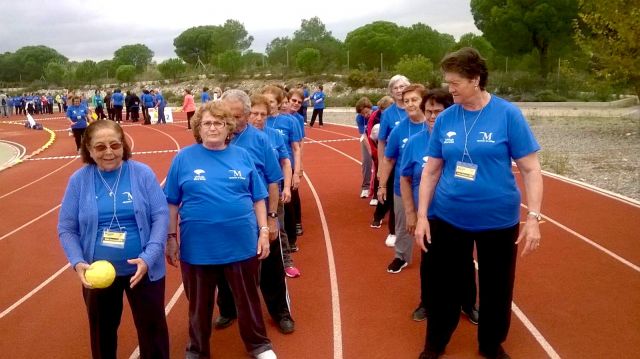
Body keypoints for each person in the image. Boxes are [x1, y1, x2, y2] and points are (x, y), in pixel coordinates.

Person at [414, 48, 543, 359]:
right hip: (449, 218)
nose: (449, 88)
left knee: (497, 288)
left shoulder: (508, 115)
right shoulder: (445, 118)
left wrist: (534, 218)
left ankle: (490, 344)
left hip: (498, 220)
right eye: (447, 82)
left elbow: (531, 168)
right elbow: (431, 170)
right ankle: (435, 344)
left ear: (476, 79)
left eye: (455, 82)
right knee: (445, 287)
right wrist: (421, 216)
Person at [164, 101, 277, 359]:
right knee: (199, 306)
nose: (213, 127)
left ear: (228, 128)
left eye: (218, 123)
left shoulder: (243, 156)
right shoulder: (183, 158)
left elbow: (258, 197)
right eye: (207, 123)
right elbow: (171, 202)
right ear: (198, 128)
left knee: (248, 299)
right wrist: (171, 238)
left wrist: (263, 231)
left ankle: (259, 345)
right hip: (198, 247)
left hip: (241, 243)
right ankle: (197, 349)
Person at [57, 120, 170, 359]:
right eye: (100, 147)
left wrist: (149, 257)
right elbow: (66, 227)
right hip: (97, 273)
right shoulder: (79, 180)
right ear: (88, 148)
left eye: (115, 145)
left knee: (153, 332)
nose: (109, 152)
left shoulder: (142, 173)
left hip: (144, 270)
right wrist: (78, 262)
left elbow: (161, 216)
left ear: (124, 145)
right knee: (102, 334)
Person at [214, 89, 296, 335]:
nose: (231, 120)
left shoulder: (260, 140)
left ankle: (280, 312)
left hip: (258, 214)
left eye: (238, 115)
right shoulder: (215, 138)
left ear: (248, 115)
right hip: (226, 218)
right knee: (224, 266)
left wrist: (271, 219)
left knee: (270, 265)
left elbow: (273, 181)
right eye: (227, 114)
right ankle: (228, 310)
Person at [399, 89, 479, 324]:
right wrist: (412, 214)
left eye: (438, 111)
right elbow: (404, 179)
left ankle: (468, 303)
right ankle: (427, 302)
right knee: (430, 263)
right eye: (428, 111)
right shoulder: (415, 143)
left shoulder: (462, 140)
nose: (432, 116)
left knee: (464, 261)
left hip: (458, 215)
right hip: (429, 217)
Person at [378, 84, 428, 274]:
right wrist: (382, 185)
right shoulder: (400, 130)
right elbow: (389, 159)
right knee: (404, 224)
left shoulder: (434, 125)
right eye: (406, 101)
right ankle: (401, 256)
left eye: (414, 100)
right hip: (404, 186)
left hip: (432, 188)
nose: (410, 104)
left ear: (423, 101)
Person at [249, 94, 300, 278]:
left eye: (263, 114)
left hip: (271, 192)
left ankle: (286, 261)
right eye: (254, 113)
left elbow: (286, 162)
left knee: (279, 227)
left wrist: (286, 187)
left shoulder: (274, 136)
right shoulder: (238, 137)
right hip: (249, 196)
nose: (259, 118)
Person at [261, 85, 302, 252]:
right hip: (264, 172)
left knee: (286, 207)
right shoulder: (259, 119)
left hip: (284, 168)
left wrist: (297, 172)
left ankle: (289, 241)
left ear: (278, 103)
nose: (268, 104)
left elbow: (296, 147)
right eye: (265, 101)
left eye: (271, 101)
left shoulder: (289, 121)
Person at [376, 75, 410, 247]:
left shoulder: (416, 107)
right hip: (395, 160)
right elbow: (381, 141)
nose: (399, 90)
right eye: (396, 87)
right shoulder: (388, 113)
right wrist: (381, 166)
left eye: (403, 86)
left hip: (415, 159)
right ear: (391, 91)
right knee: (394, 196)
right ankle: (394, 231)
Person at [355, 97, 375, 199]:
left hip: (379, 138)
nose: (365, 115)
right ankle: (365, 187)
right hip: (366, 138)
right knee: (366, 161)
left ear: (370, 107)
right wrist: (370, 150)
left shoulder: (378, 112)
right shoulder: (359, 118)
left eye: (366, 112)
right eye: (362, 114)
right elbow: (364, 134)